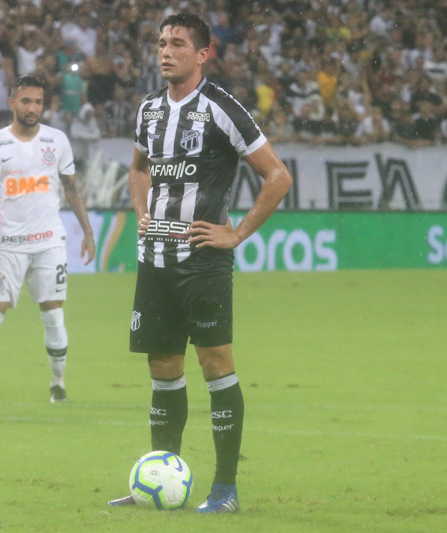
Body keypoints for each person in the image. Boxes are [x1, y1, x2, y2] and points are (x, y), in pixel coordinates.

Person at [107, 14, 292, 513]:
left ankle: (226, 489)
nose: (165, 51)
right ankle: (160, 479)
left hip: (203, 262)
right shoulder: (148, 110)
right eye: (161, 42)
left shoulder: (222, 109)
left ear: (203, 53)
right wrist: (143, 213)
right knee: (163, 368)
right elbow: (138, 169)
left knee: (216, 366)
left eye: (178, 44)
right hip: (155, 261)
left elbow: (277, 176)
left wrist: (236, 233)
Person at [0, 75, 95, 404]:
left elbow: (71, 187)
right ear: (12, 103)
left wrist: (87, 231)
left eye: (38, 102)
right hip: (8, 245)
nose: (33, 108)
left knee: (53, 312)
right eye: (26, 101)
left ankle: (58, 383)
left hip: (49, 243)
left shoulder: (56, 141)